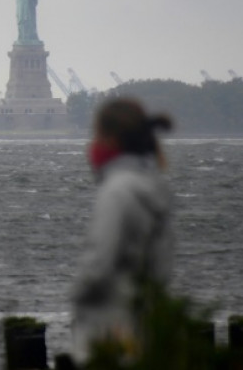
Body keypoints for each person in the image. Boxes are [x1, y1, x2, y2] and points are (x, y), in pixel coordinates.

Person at [70, 98, 174, 364]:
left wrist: (78, 296)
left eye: (97, 135)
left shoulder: (116, 191)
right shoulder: (155, 185)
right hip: (145, 318)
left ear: (111, 140)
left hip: (109, 326)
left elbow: (99, 263)